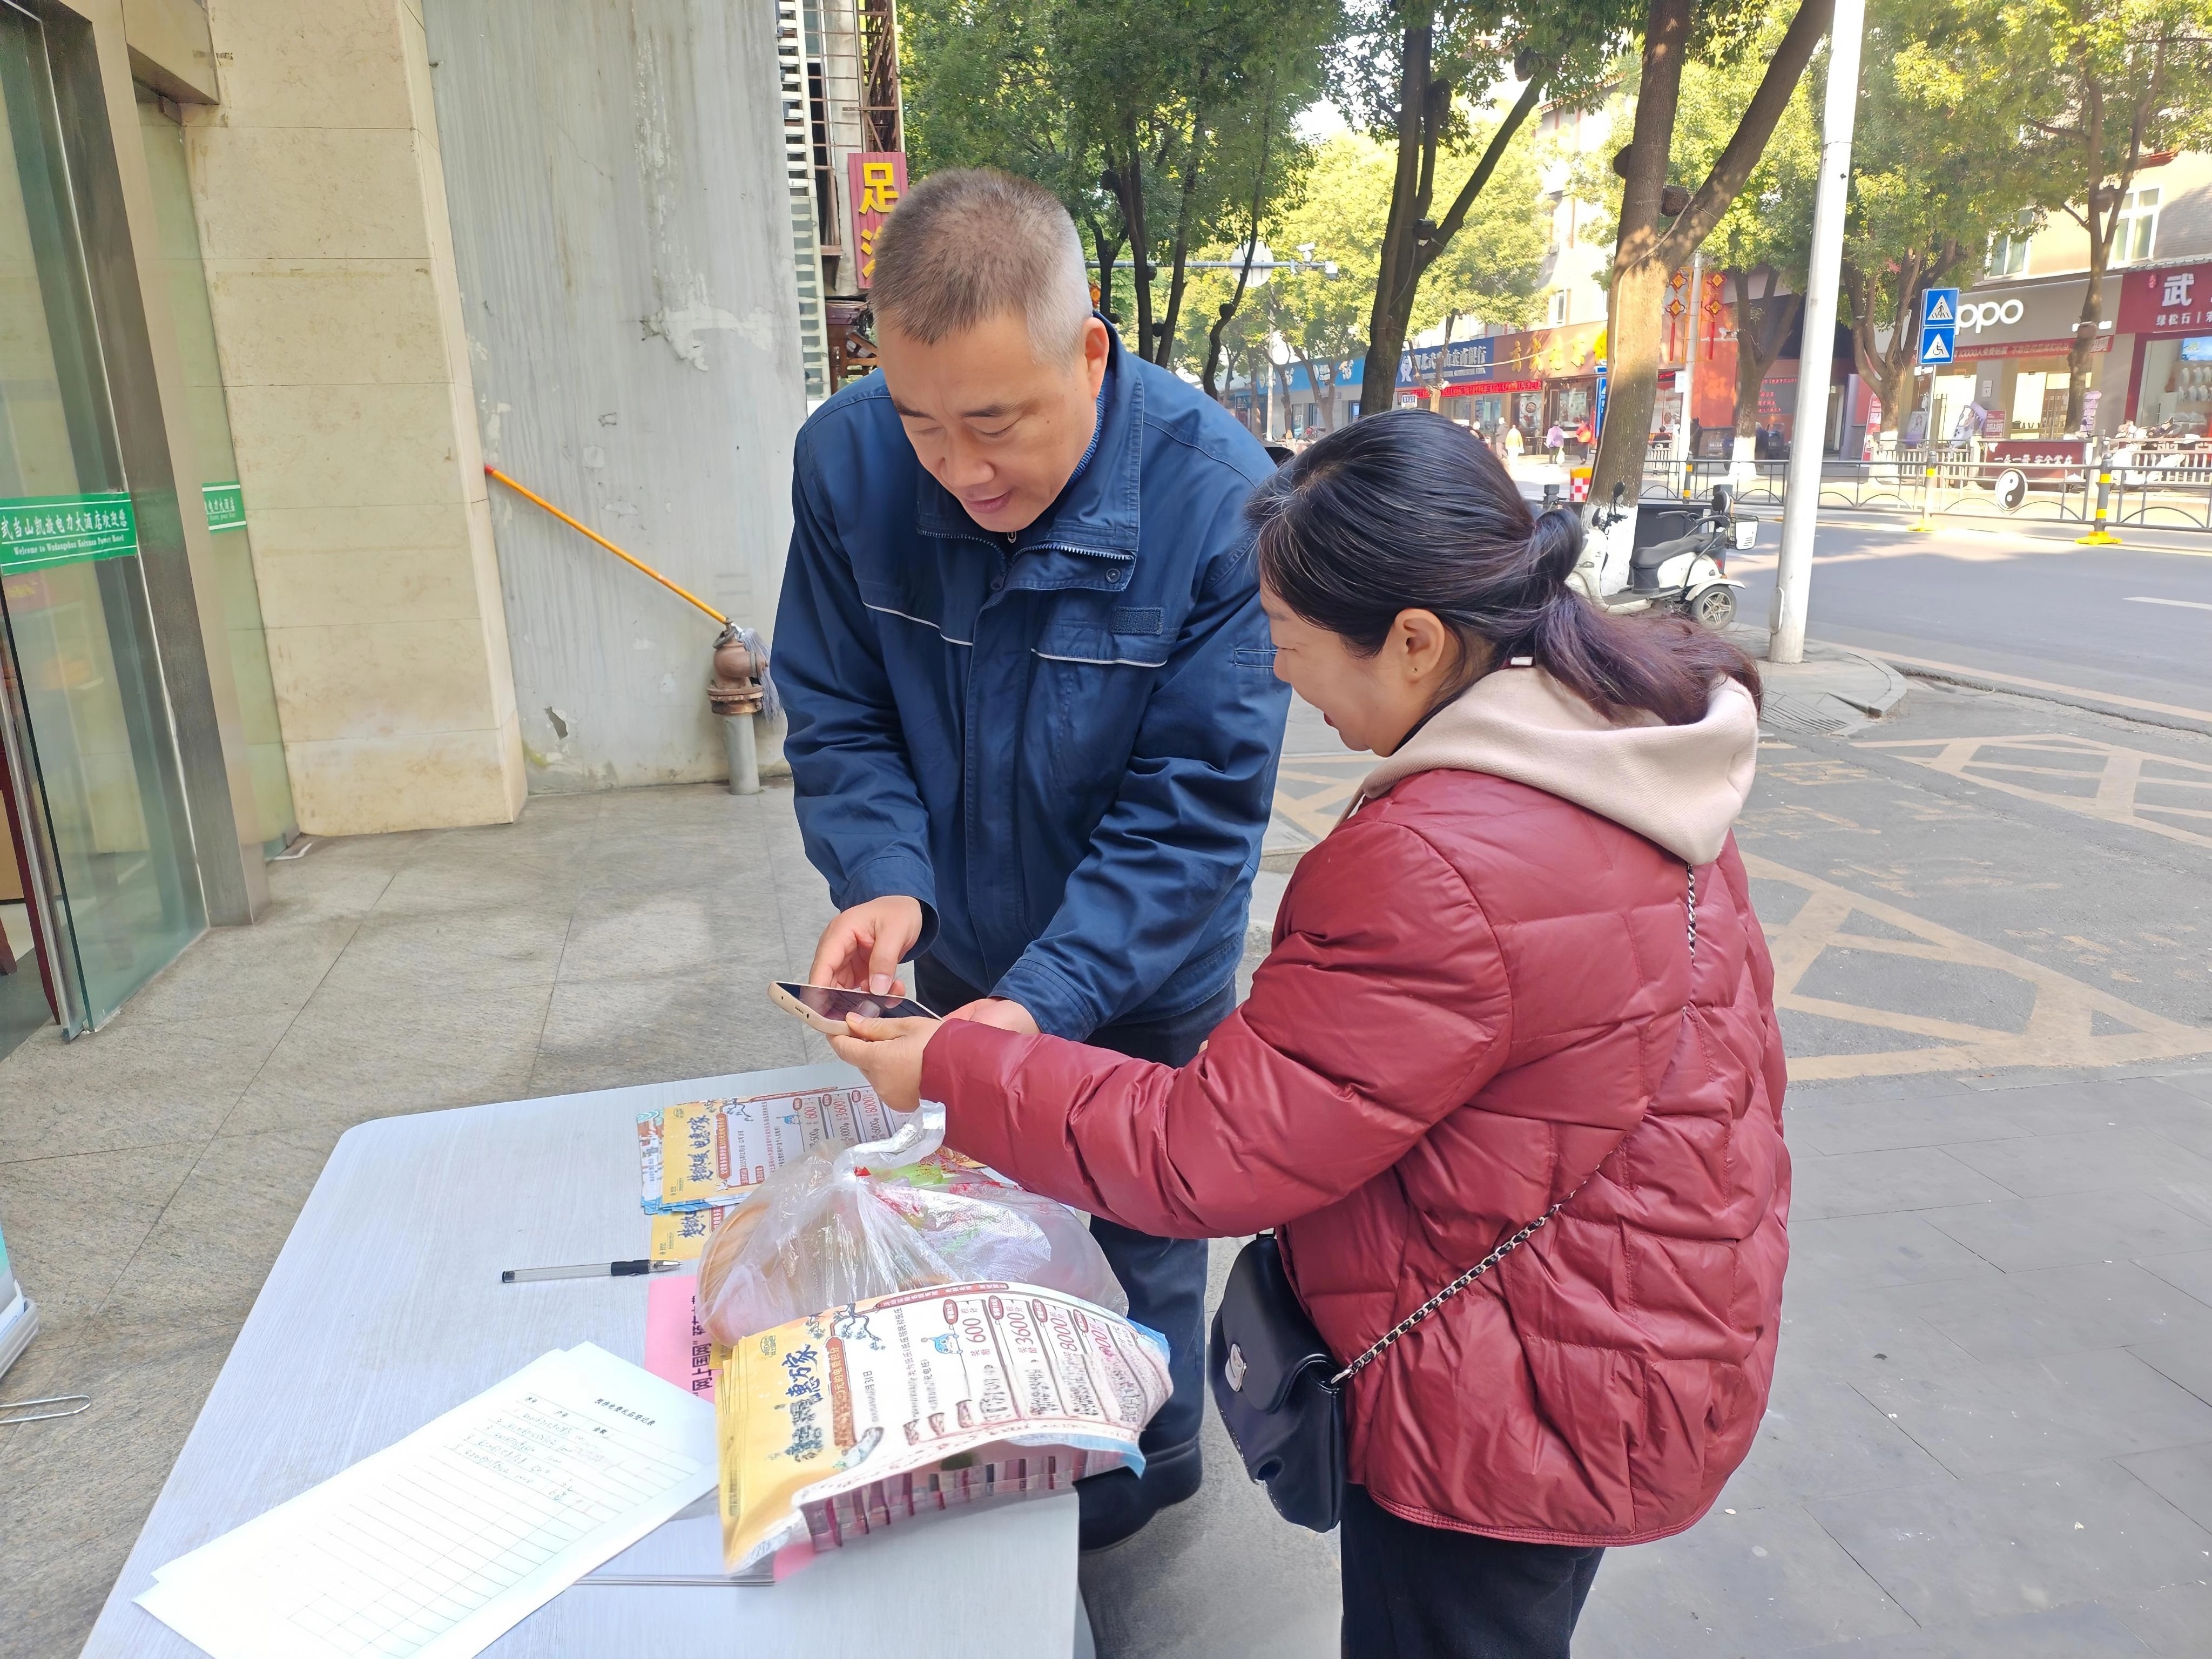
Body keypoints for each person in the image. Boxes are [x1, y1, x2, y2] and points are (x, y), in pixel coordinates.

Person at [830, 409, 1789, 1658]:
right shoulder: (1623, 750)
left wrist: (953, 1064)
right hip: (1629, 1325)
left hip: (1518, 1387)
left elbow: (1206, 1150)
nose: (1279, 674)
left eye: (1286, 638)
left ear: (1413, 640)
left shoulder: (1442, 859)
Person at [771, 168, 1290, 1550]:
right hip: (956, 949)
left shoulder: (1216, 502)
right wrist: (884, 877)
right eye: (922, 424)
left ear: (1090, 353)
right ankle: (1006, 1453)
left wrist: (1041, 1004)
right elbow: (837, 707)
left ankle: (1141, 1469)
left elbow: (1193, 812)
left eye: (996, 424)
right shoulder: (846, 464)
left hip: (1139, 976)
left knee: (1134, 1226)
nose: (960, 469)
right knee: (984, 1216)